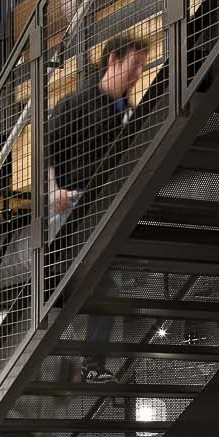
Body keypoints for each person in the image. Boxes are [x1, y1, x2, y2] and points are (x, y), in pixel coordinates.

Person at [44, 32, 152, 382]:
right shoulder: (75, 104)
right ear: (113, 60)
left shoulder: (130, 114)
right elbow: (46, 153)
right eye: (134, 65)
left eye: (142, 67)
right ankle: (55, 360)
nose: (138, 73)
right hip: (71, 205)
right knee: (65, 286)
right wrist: (52, 191)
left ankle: (91, 366)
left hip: (107, 209)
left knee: (109, 287)